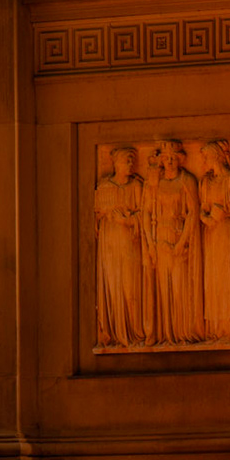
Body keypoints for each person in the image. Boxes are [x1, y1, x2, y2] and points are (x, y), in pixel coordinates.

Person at [148, 139, 204, 344]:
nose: (169, 161)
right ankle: (166, 333)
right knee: (164, 289)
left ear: (180, 160)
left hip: (180, 237)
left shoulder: (186, 180)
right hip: (160, 239)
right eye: (166, 158)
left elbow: (192, 212)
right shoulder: (156, 183)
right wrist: (150, 244)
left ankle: (182, 333)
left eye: (173, 158)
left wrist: (181, 242)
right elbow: (146, 213)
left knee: (180, 288)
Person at [93, 146, 148, 348]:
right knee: (113, 285)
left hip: (130, 242)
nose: (130, 164)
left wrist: (129, 220)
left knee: (130, 286)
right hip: (110, 244)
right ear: (116, 163)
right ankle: (115, 331)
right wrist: (104, 215)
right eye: (127, 160)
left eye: (132, 160)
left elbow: (146, 214)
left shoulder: (136, 186)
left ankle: (135, 330)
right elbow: (95, 217)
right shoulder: (105, 186)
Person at [197, 139, 230, 342]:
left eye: (206, 157)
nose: (203, 162)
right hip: (211, 233)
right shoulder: (206, 181)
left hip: (227, 232)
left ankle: (229, 330)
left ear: (216, 156)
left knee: (227, 279)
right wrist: (207, 218)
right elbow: (201, 208)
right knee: (213, 280)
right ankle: (215, 330)